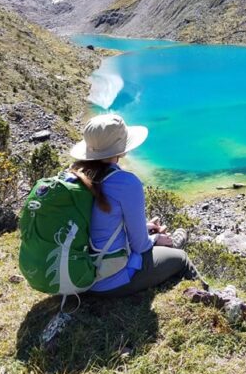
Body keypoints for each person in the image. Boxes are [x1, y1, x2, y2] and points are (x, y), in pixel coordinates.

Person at [68, 113, 206, 297]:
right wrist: (156, 238)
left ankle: (176, 240)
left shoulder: (73, 177)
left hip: (74, 274)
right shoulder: (125, 183)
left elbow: (97, 224)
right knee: (181, 259)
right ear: (121, 149)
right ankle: (212, 301)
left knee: (159, 239)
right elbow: (141, 246)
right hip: (106, 280)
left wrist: (144, 227)